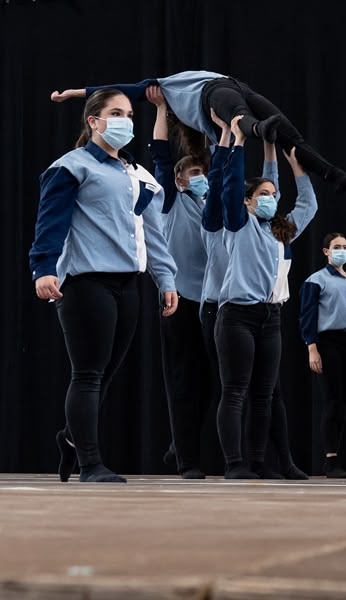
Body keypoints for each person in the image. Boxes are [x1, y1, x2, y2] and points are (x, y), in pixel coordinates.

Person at [29, 88, 179, 483]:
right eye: (115, 112)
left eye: (129, 113)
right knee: (89, 373)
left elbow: (154, 234)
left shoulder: (139, 176)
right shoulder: (71, 167)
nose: (125, 120)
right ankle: (89, 463)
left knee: (107, 373)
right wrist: (43, 268)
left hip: (128, 285)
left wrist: (166, 278)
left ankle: (71, 438)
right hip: (85, 281)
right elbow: (51, 223)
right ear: (94, 121)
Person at [49, 71, 346, 193]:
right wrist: (78, 96)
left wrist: (74, 91)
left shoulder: (168, 88)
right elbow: (124, 91)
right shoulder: (177, 101)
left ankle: (334, 176)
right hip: (215, 95)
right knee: (237, 117)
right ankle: (256, 128)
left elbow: (118, 86)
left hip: (239, 85)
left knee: (291, 137)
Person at [212, 111, 317, 479]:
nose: (271, 198)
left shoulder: (281, 232)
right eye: (264, 195)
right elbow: (230, 185)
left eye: (274, 195)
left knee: (265, 394)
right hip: (237, 316)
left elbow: (308, 206)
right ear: (247, 202)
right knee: (236, 391)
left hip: (271, 318)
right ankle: (235, 464)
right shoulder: (239, 225)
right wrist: (241, 141)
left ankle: (260, 462)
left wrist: (282, 155)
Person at [147, 85, 212, 479]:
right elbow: (160, 155)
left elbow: (222, 161)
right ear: (180, 179)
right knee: (183, 381)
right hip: (178, 298)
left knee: (208, 383)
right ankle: (187, 458)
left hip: (213, 300)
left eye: (203, 171)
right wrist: (160, 111)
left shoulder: (215, 202)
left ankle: (179, 444)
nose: (201, 176)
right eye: (194, 173)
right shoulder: (170, 199)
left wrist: (219, 127)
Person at [298, 233, 346, 478]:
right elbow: (307, 315)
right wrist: (312, 347)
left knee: (345, 403)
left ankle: (341, 455)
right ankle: (330, 459)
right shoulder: (317, 280)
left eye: (345, 247)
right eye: (337, 247)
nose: (342, 251)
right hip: (329, 342)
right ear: (326, 251)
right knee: (332, 400)